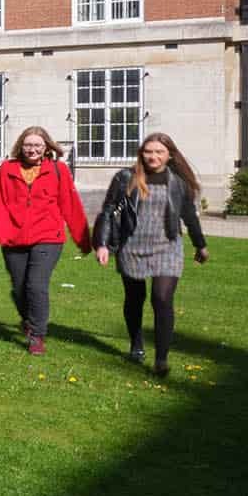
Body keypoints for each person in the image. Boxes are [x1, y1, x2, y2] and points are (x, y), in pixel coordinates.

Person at [93, 132, 209, 378]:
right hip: (131, 246)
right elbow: (108, 209)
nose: (153, 156)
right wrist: (102, 243)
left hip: (167, 246)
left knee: (162, 299)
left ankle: (161, 359)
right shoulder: (126, 177)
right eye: (148, 151)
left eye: (159, 152)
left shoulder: (178, 182)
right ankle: (136, 344)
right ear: (141, 154)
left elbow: (189, 215)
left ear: (169, 155)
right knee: (135, 298)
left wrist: (200, 245)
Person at [0, 125, 90, 356]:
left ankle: (37, 335)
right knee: (20, 288)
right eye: (28, 145)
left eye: (37, 145)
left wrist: (83, 239)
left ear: (46, 148)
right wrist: (1, 233)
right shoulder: (7, 168)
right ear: (20, 146)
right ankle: (28, 319)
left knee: (36, 285)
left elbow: (70, 204)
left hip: (48, 237)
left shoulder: (58, 170)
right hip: (14, 239)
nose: (32, 149)